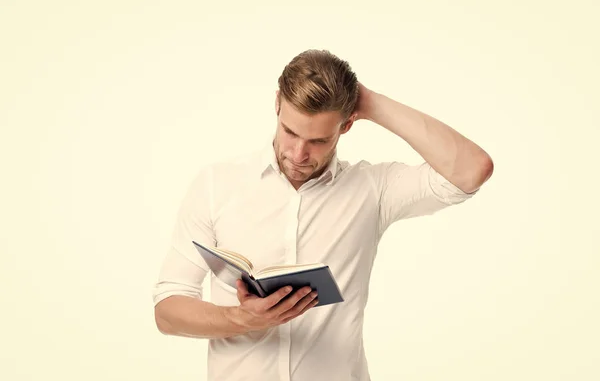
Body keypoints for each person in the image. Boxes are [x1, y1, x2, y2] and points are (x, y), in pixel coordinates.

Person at [152, 49, 494, 381]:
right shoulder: (216, 184)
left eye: (318, 140)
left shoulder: (372, 189)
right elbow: (168, 312)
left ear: (346, 126)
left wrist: (370, 103)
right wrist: (240, 319)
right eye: (290, 132)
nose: (299, 154)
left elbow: (471, 170)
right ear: (276, 105)